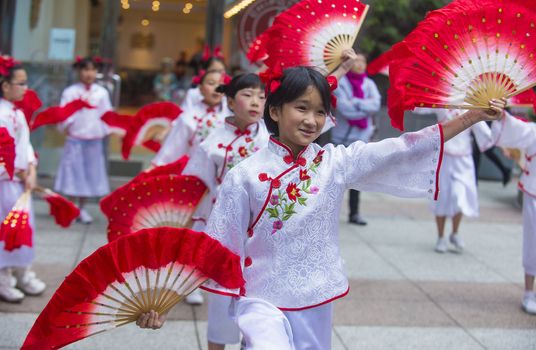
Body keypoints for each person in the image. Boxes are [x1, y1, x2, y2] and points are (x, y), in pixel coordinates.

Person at [138, 63, 506, 349]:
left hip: (316, 296)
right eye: (302, 108)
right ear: (276, 111)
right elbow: (216, 244)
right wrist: (167, 300)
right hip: (260, 299)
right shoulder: (245, 176)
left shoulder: (334, 162)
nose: (312, 120)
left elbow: (401, 148)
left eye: (320, 111)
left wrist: (472, 116)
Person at [184, 73, 268, 350]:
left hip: (259, 233)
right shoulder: (211, 143)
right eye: (247, 95)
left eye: (262, 96)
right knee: (221, 300)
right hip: (222, 233)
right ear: (230, 101)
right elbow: (195, 187)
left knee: (257, 303)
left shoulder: (270, 140)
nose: (256, 102)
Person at [414, 108, 493, 253]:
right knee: (441, 196)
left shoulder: (471, 106)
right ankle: (441, 236)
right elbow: (421, 107)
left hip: (464, 158)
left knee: (460, 195)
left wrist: (501, 140)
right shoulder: (443, 102)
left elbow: (485, 129)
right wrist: (409, 100)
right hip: (444, 156)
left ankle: (455, 233)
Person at [0, 57, 46, 303]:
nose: (25, 88)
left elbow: (24, 146)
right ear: (5, 85)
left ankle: (23, 272)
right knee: (6, 230)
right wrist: (19, 172)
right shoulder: (1, 114)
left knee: (23, 229)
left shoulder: (16, 112)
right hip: (4, 184)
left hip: (18, 181)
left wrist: (31, 168)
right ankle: (4, 279)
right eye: (21, 83)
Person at [54, 56, 112, 224]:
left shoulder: (101, 93)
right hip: (75, 139)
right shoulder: (70, 92)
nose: (89, 73)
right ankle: (71, 207)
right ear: (79, 71)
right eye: (85, 69)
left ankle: (83, 208)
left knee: (89, 174)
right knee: (74, 173)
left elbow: (107, 115)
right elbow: (64, 113)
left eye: (93, 69)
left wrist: (109, 129)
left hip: (93, 139)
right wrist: (65, 126)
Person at [489, 110, 536, 315]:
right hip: (534, 193)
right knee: (533, 243)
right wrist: (500, 115)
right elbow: (512, 129)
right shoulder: (533, 131)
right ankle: (528, 292)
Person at [332, 51, 381, 226]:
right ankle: (331, 213)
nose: (360, 64)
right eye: (357, 61)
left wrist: (356, 103)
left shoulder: (369, 84)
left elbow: (375, 104)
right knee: (336, 178)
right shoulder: (341, 83)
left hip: (361, 138)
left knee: (357, 178)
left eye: (363, 61)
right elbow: (344, 109)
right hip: (341, 138)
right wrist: (362, 106)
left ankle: (354, 213)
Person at [151, 69, 231, 167]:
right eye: (211, 83)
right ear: (200, 88)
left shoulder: (232, 117)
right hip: (193, 173)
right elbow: (172, 149)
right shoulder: (188, 118)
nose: (217, 88)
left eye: (221, 84)